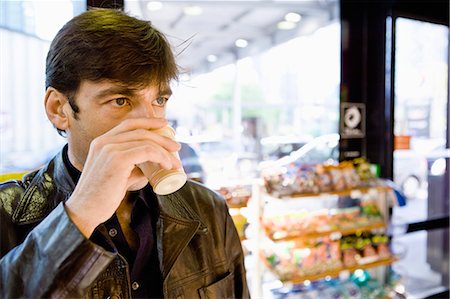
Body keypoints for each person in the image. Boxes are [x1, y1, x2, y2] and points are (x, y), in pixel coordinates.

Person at [0, 8, 249, 299]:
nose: (152, 123)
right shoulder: (7, 214)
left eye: (159, 99)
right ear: (59, 109)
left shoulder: (208, 209)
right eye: (120, 100)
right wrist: (80, 214)